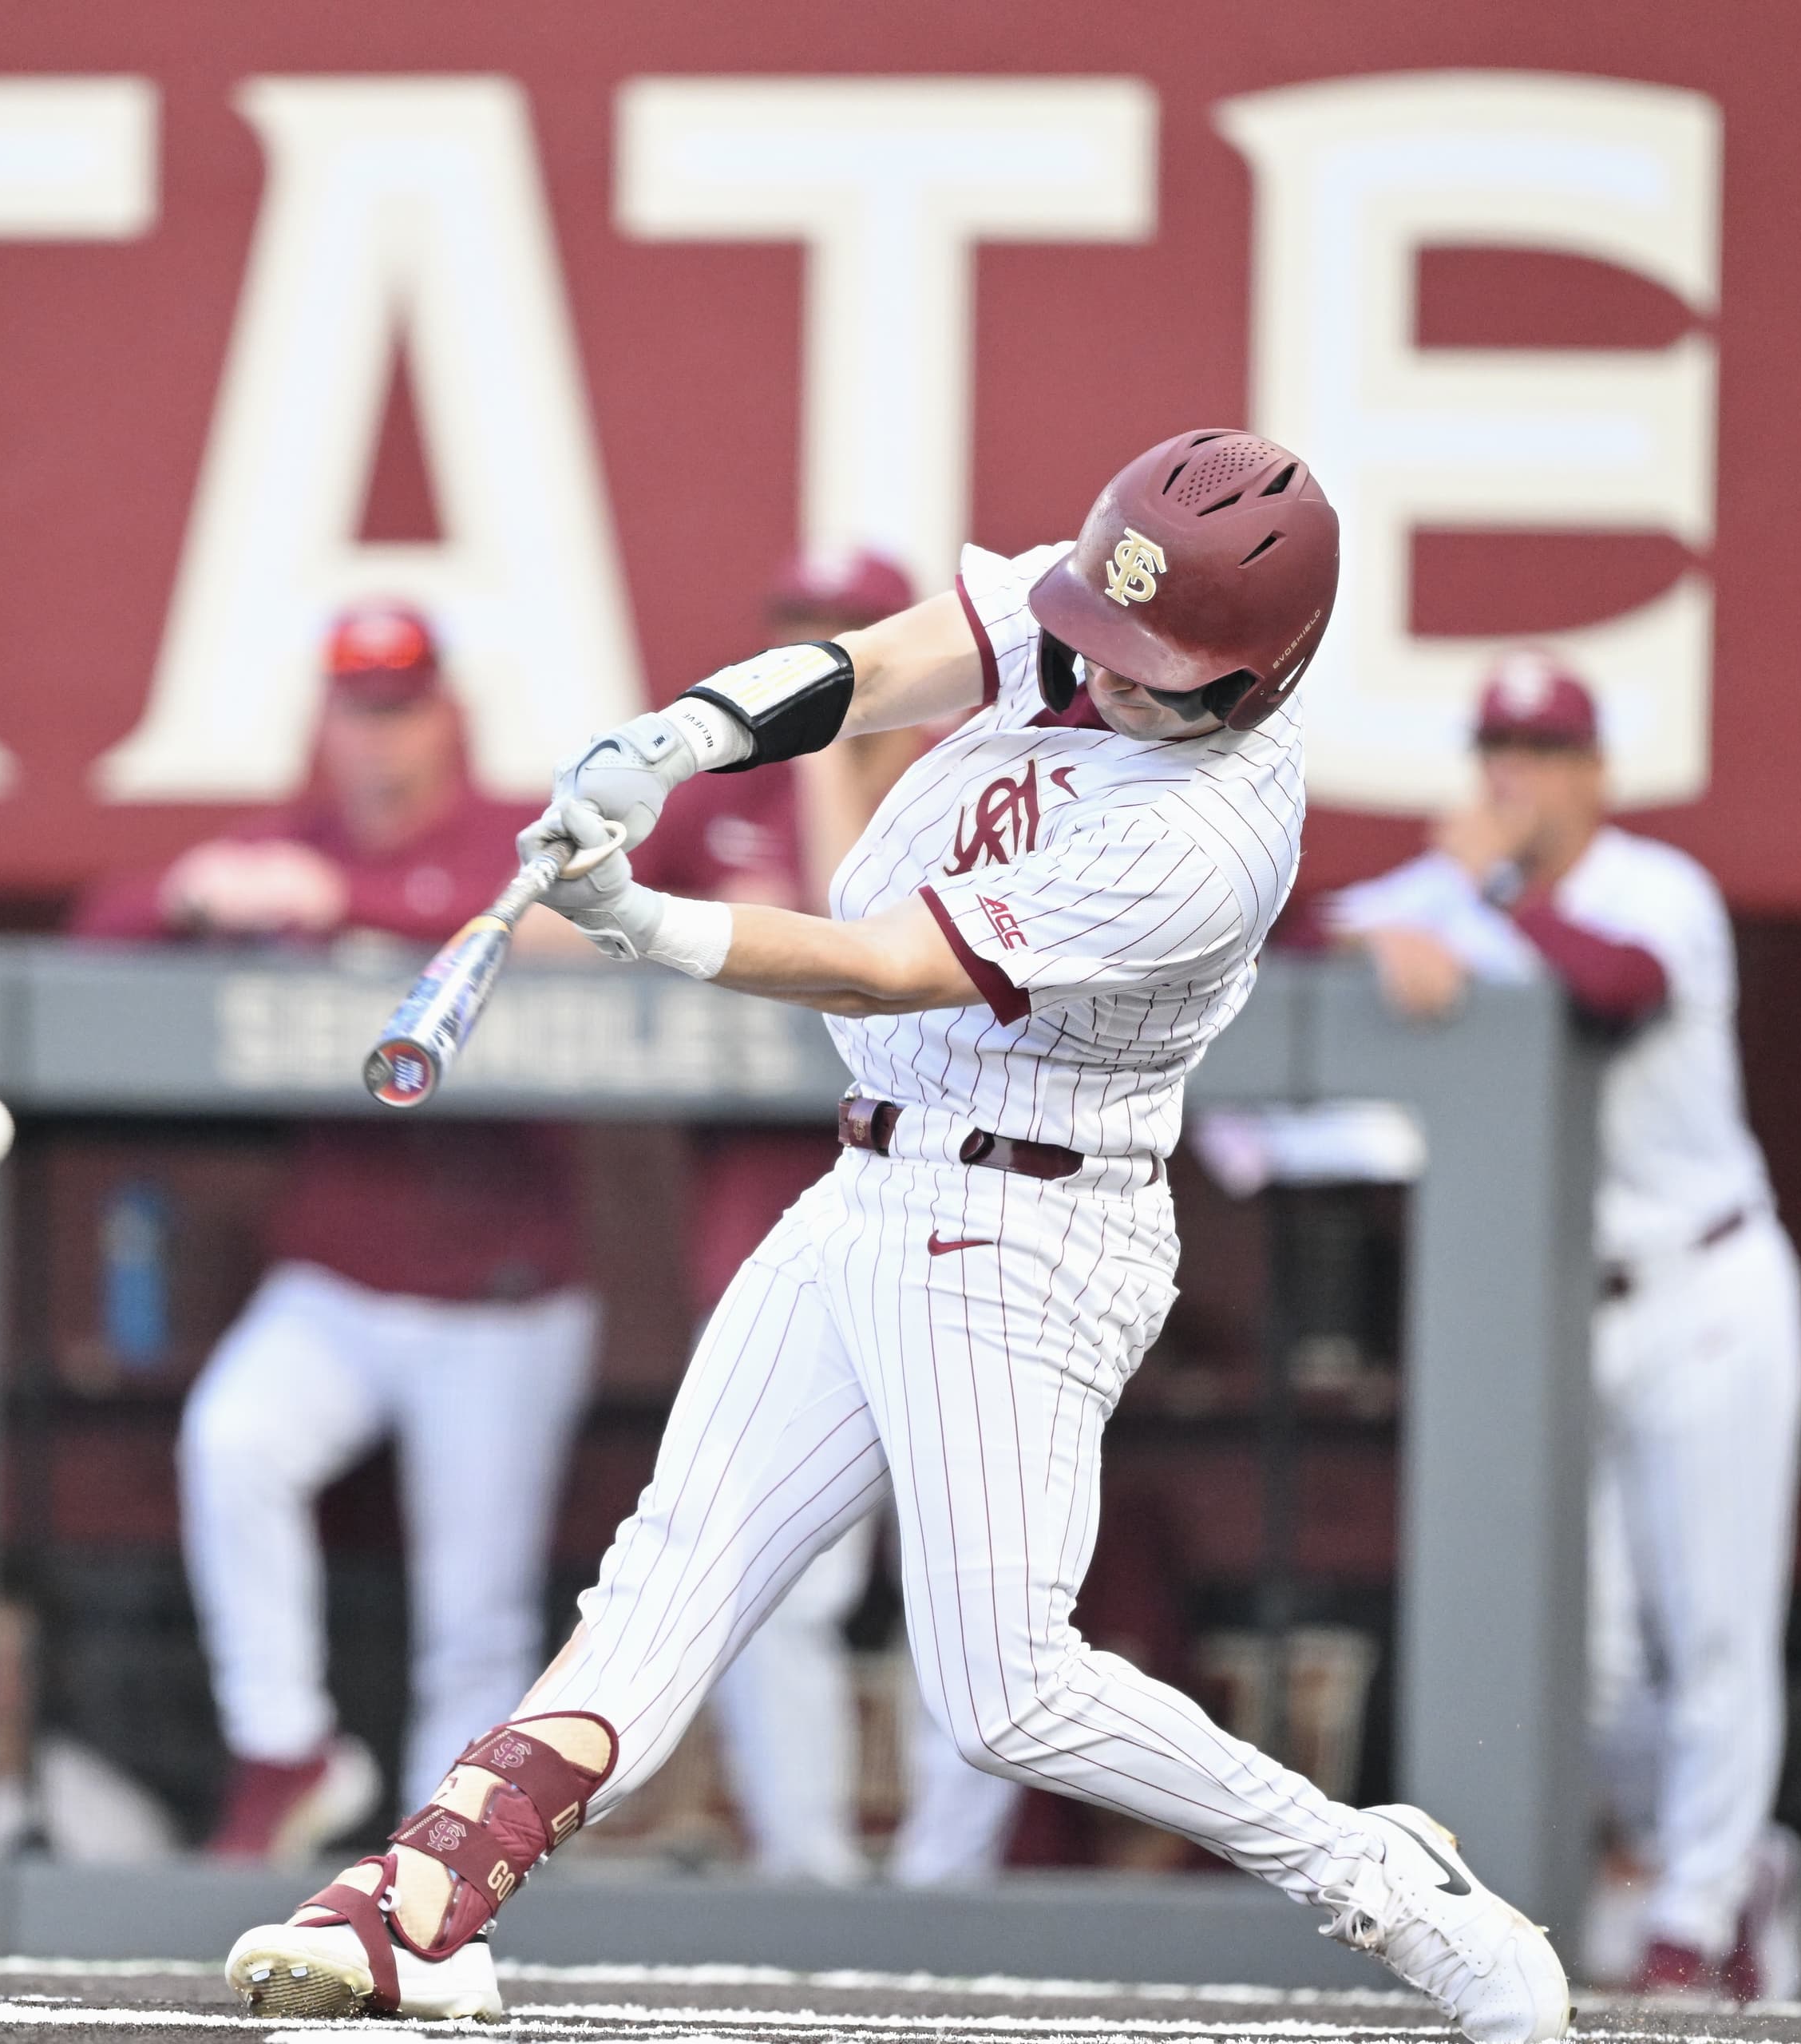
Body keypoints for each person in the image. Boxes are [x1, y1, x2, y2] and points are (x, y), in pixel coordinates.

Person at [222, 431, 1572, 2044]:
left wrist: (649, 923)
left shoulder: (1198, 841)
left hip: (1027, 1227)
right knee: (668, 1570)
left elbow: (879, 966)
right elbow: (881, 664)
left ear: (1253, 684)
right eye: (1106, 631)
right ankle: (428, 1895)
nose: (1105, 671)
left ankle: (1379, 1877)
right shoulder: (1094, 614)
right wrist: (686, 734)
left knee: (1004, 1689)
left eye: (1157, 666)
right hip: (874, 1178)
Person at [73, 600, 599, 1868]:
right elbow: (104, 927)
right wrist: (205, 895)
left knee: (470, 1619)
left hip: (503, 1284)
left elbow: (582, 935)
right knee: (234, 1440)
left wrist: (349, 901)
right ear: (328, 719)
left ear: (445, 710)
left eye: (401, 705)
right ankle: (284, 1748)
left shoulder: (509, 837)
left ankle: (437, 1873)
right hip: (343, 1272)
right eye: (358, 708)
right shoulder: (291, 839)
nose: (379, 736)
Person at [1324, 652, 1801, 2001]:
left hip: (1706, 1285)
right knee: (1586, 1659)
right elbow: (1298, 933)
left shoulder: (1657, 889)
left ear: (1595, 774)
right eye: (1496, 750)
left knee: (1710, 1627)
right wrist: (1381, 938)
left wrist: (1477, 896)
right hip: (1564, 1313)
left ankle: (1698, 1915)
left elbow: (1618, 989)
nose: (1510, 777)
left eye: (1538, 754)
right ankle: (1719, 1857)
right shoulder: (1459, 890)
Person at [670, 546, 1027, 1886]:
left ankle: (946, 1887)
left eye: (839, 628)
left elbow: (855, 942)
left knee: (975, 1585)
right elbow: (594, 921)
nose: (810, 645)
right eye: (792, 621)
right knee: (784, 1581)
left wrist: (824, 764)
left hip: (959, 1207)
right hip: (780, 1220)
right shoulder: (724, 789)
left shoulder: (968, 769)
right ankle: (811, 1878)